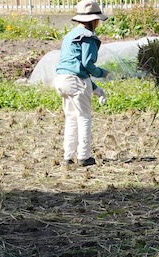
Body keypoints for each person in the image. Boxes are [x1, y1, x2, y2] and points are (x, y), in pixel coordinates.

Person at [53, 0, 109, 167]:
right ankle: (84, 156)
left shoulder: (70, 35)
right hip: (75, 81)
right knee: (84, 118)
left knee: (71, 117)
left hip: (61, 80)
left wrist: (95, 88)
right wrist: (101, 73)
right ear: (93, 21)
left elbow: (75, 68)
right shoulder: (88, 37)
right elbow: (86, 65)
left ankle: (67, 157)